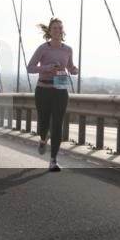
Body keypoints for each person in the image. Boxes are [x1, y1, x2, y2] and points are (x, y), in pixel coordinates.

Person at [26, 19, 78, 172]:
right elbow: (30, 68)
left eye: (60, 28)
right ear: (49, 31)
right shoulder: (43, 48)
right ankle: (43, 139)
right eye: (54, 28)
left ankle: (53, 160)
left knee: (57, 125)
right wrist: (47, 68)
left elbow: (70, 66)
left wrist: (74, 70)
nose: (57, 30)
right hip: (43, 89)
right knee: (43, 123)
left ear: (62, 30)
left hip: (61, 88)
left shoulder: (67, 49)